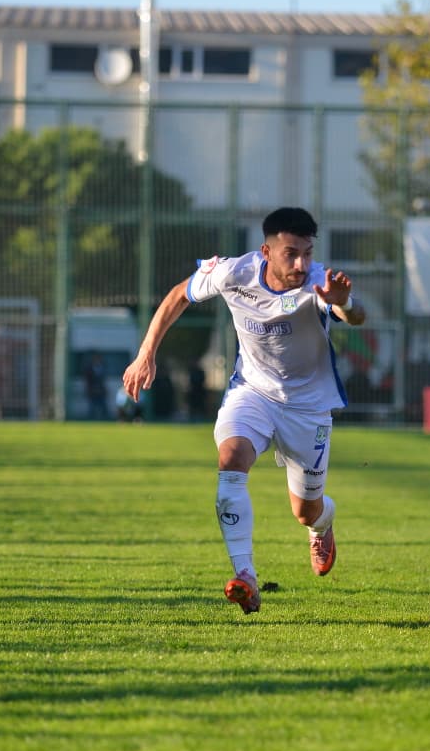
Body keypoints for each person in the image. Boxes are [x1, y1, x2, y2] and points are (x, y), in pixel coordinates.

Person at [123, 206, 367, 615]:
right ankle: (246, 577)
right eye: (291, 253)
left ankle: (323, 524)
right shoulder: (234, 272)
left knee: (305, 512)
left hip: (308, 409)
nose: (301, 263)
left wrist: (344, 303)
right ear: (265, 251)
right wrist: (146, 352)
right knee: (230, 460)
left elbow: (355, 315)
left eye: (307, 252)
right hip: (252, 392)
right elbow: (178, 295)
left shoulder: (319, 283)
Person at [84, 355, 108, 420]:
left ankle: (104, 420)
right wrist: (91, 389)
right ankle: (90, 420)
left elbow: (103, 380)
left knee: (103, 406)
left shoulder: (102, 367)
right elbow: (88, 381)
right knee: (91, 406)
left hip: (100, 391)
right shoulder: (89, 368)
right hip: (92, 391)